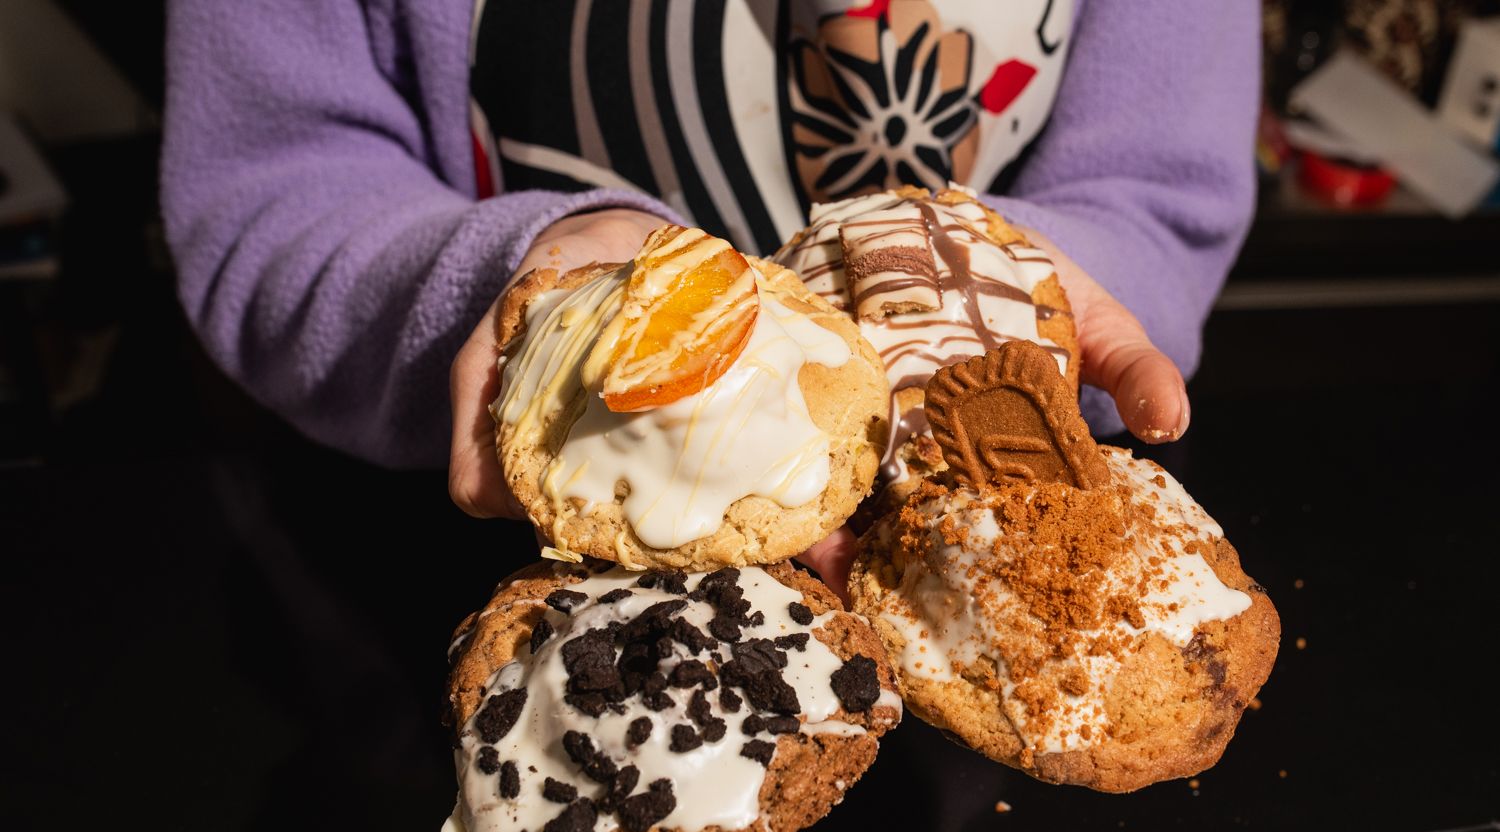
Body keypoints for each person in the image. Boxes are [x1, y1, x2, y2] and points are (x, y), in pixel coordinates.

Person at [161, 1, 1257, 591]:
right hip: (421, 592)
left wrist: (989, 284)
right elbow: (268, 189)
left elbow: (1155, 200)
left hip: (974, 577)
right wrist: (544, 297)